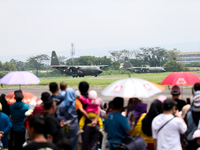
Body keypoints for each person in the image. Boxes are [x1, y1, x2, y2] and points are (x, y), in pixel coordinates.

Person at [76, 81, 100, 150]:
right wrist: (95, 120)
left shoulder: (78, 99)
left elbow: (80, 110)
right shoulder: (93, 98)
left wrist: (89, 119)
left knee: (83, 145)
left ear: (79, 88)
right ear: (88, 88)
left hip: (83, 125)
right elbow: (98, 109)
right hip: (95, 124)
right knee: (93, 145)